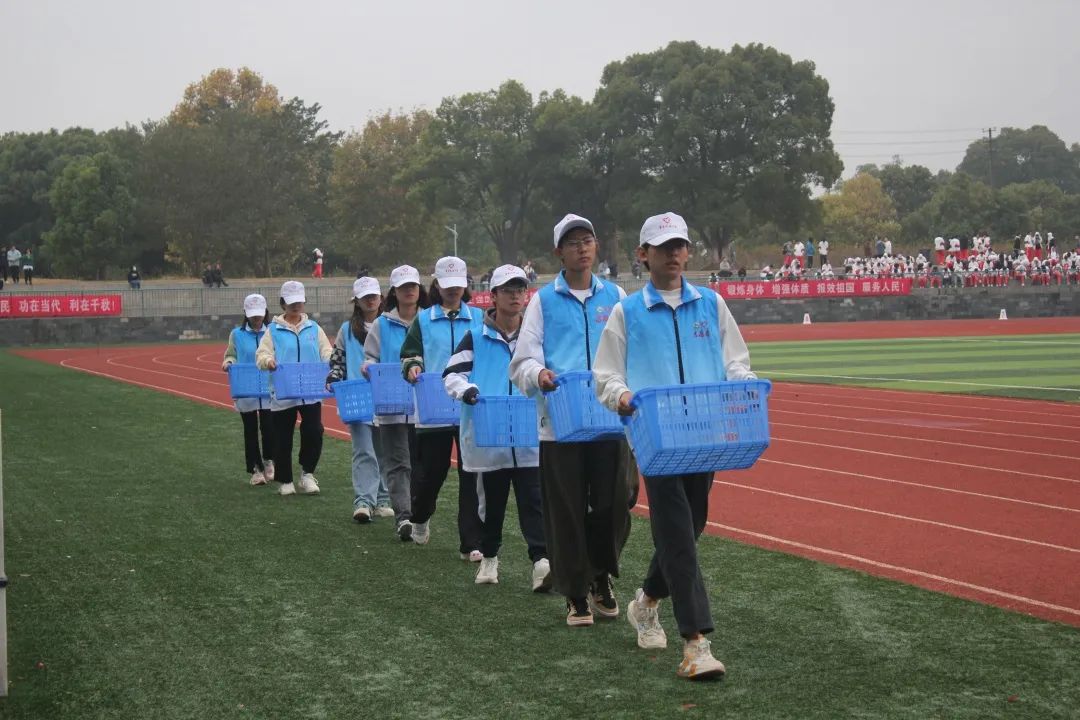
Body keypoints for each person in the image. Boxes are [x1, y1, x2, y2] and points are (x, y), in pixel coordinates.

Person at [594, 211, 756, 681]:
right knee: (678, 535)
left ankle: (646, 601)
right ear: (644, 255)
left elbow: (735, 361)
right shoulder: (627, 312)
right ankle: (696, 643)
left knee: (691, 525)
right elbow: (605, 374)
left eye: (679, 246)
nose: (674, 254)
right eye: (664, 247)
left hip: (705, 434)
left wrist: (743, 384)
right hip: (656, 439)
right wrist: (622, 396)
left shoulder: (711, 304)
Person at [509, 213, 632, 628]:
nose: (582, 248)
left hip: (608, 421)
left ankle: (599, 574)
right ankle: (576, 593)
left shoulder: (615, 296)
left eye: (588, 240)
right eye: (573, 242)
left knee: (615, 504)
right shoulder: (543, 301)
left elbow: (630, 350)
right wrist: (539, 374)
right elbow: (522, 361)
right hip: (560, 424)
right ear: (558, 252)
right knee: (566, 510)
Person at [443, 264, 550, 589]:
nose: (515, 296)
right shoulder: (475, 337)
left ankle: (541, 562)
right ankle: (489, 557)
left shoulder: (536, 337)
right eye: (508, 290)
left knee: (534, 501)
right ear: (494, 295)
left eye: (520, 290)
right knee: (491, 504)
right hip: (489, 436)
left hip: (530, 434)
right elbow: (452, 375)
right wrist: (468, 391)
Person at [400, 256, 485, 559]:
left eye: (458, 285)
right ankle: (420, 517)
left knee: (471, 474)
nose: (453, 290)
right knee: (430, 474)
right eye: (447, 285)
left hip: (469, 407)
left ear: (465, 285)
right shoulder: (423, 320)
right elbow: (410, 353)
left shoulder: (479, 318)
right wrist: (412, 367)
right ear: (436, 285)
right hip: (432, 408)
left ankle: (471, 543)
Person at [364, 265, 428, 541]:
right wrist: (367, 367)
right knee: (398, 462)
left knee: (421, 465)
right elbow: (370, 357)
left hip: (424, 406)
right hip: (390, 403)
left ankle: (419, 513)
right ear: (394, 292)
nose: (409, 291)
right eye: (403, 287)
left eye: (413, 285)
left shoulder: (429, 320)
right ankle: (404, 517)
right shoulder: (381, 324)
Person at [255, 281, 333, 496]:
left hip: (310, 390)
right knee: (282, 437)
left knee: (314, 431)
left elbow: (326, 350)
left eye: (299, 301)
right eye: (291, 302)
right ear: (283, 304)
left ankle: (307, 474)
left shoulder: (314, 328)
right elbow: (261, 354)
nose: (296, 305)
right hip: (283, 390)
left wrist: (330, 361)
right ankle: (285, 480)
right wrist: (268, 361)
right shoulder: (273, 330)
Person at [326, 276, 394, 523]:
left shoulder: (390, 325)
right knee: (363, 450)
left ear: (381, 297)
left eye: (373, 296)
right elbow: (337, 360)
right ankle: (364, 501)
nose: (370, 300)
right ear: (356, 301)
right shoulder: (347, 330)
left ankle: (383, 498)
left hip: (387, 396)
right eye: (365, 297)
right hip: (357, 398)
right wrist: (334, 377)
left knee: (385, 451)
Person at [222, 294, 276, 486]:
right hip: (245, 387)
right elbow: (231, 354)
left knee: (269, 428)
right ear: (246, 313)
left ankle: (269, 460)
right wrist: (228, 362)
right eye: (252, 314)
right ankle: (255, 469)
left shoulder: (273, 332)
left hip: (268, 388)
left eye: (259, 314)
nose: (256, 318)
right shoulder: (237, 334)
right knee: (250, 430)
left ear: (265, 312)